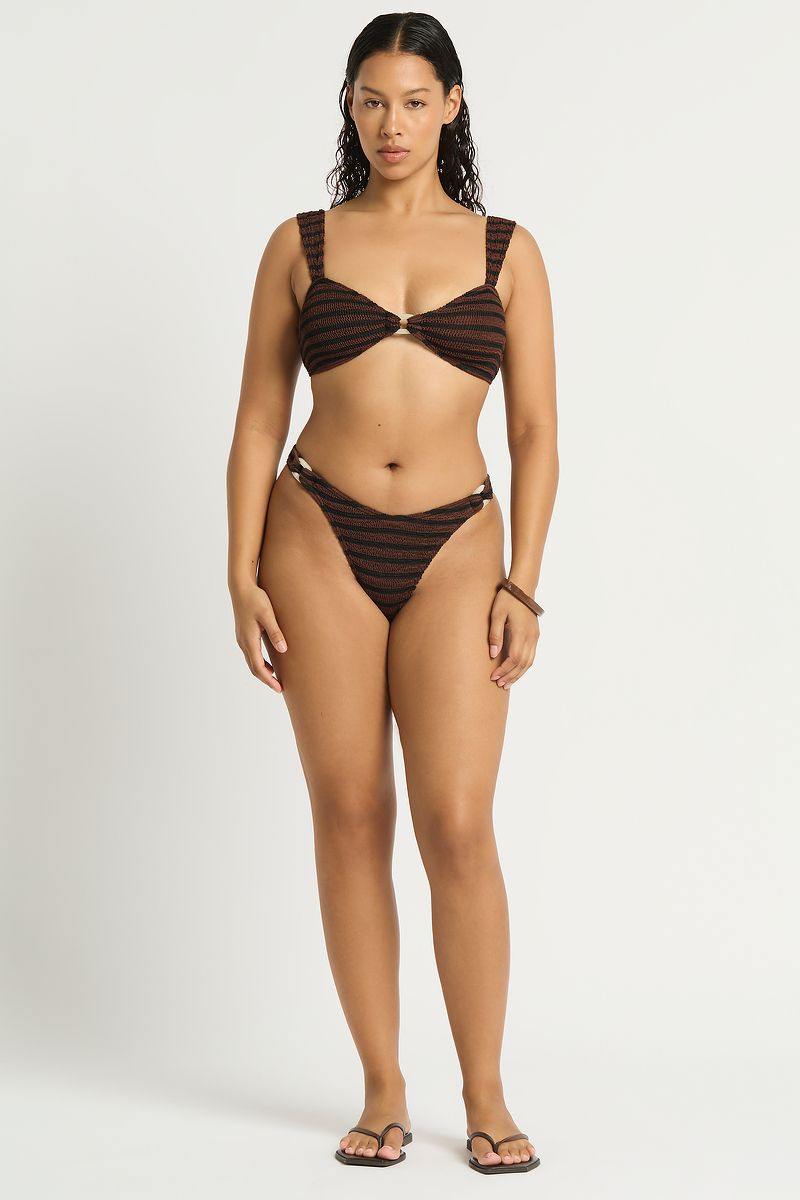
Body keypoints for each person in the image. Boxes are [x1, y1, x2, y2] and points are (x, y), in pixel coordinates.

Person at [226, 12, 558, 1176]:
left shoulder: (506, 251)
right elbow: (258, 419)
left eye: (414, 101)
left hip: (460, 543)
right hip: (315, 532)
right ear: (349, 106)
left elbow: (535, 434)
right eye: (371, 100)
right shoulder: (300, 244)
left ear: (450, 106)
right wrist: (237, 571)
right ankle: (380, 1087)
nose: (392, 123)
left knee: (456, 823)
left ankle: (486, 1093)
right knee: (349, 812)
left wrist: (523, 584)